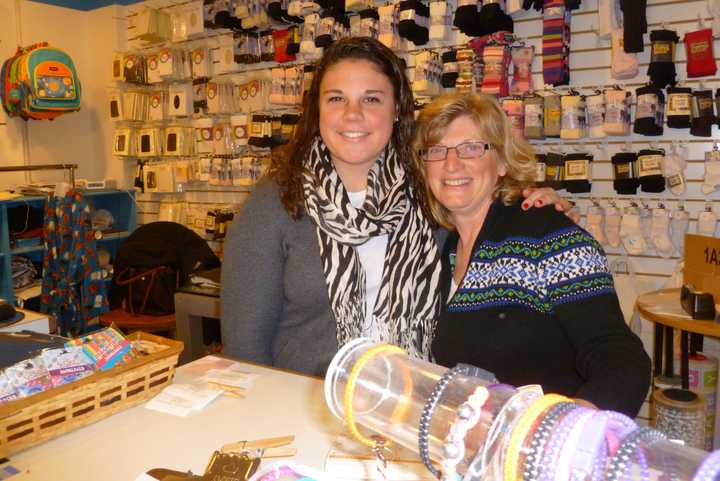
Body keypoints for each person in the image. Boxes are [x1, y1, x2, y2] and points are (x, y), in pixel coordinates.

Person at [221, 37, 569, 378]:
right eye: (336, 98)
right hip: (309, 405)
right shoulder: (276, 201)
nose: (352, 114)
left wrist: (535, 205)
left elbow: (490, 209)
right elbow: (244, 349)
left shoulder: (432, 188)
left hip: (415, 401)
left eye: (371, 99)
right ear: (317, 110)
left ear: (398, 110)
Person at [415, 92, 650, 417]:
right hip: (472, 449)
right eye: (437, 150)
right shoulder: (443, 247)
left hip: (536, 456)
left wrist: (565, 428)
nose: (451, 164)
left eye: (471, 148)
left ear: (501, 161)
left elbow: (622, 360)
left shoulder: (548, 237)